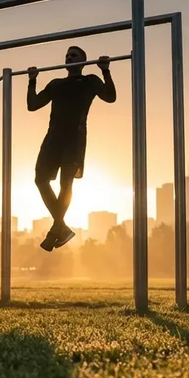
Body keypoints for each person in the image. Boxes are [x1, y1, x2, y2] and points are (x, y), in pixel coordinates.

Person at [27, 45, 117, 251]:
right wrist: (32, 80)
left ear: (83, 61)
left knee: (65, 183)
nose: (69, 57)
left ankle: (56, 230)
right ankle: (61, 227)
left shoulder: (90, 81)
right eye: (67, 55)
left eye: (74, 55)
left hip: (74, 139)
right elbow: (33, 104)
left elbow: (111, 97)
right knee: (40, 179)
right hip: (53, 138)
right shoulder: (56, 84)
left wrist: (105, 70)